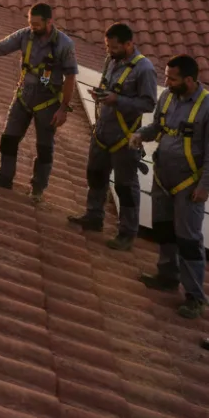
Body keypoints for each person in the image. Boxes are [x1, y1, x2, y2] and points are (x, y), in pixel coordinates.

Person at [0, 3, 78, 203]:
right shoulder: (25, 35)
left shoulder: (64, 44)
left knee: (44, 148)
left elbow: (70, 77)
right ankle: (5, 177)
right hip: (24, 97)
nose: (32, 27)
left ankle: (37, 189)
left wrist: (63, 108)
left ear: (49, 22)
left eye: (37, 24)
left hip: (48, 101)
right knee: (9, 138)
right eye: (30, 23)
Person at [129, 55, 209, 319]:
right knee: (163, 229)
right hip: (163, 177)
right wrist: (141, 135)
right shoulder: (168, 97)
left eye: (172, 78)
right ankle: (167, 276)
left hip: (189, 184)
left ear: (190, 80)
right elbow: (158, 126)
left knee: (188, 239)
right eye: (166, 77)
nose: (167, 82)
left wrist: (205, 186)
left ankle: (194, 296)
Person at [68, 23, 157, 250]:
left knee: (125, 187)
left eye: (114, 47)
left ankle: (126, 233)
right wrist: (100, 95)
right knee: (95, 175)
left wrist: (117, 100)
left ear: (129, 44)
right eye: (108, 46)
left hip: (124, 138)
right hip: (102, 131)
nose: (109, 50)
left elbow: (148, 103)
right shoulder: (111, 60)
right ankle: (93, 216)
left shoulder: (144, 69)